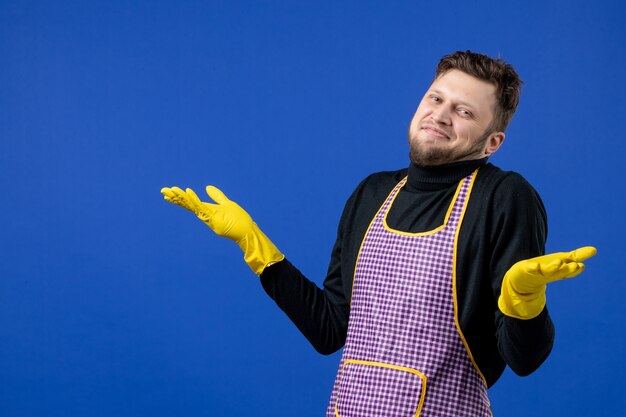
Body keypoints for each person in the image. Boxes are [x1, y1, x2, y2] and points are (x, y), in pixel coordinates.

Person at [161, 50, 596, 416]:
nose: (440, 115)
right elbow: (330, 331)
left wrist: (523, 302)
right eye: (435, 98)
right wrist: (256, 248)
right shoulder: (373, 192)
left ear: (491, 142)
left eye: (464, 111)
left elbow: (523, 360)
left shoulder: (504, 195)